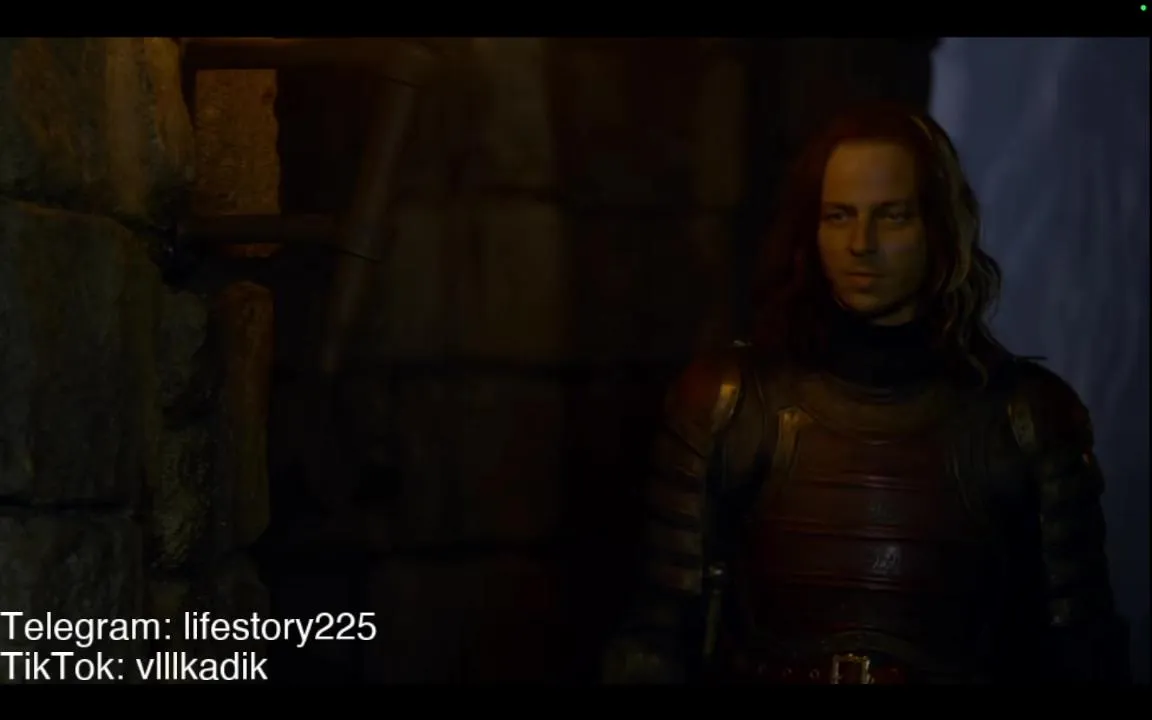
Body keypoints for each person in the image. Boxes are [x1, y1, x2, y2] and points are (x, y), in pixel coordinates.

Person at [601, 103, 1130, 684]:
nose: (861, 243)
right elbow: (659, 631)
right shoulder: (728, 402)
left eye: (891, 216)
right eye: (839, 216)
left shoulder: (1025, 418)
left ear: (937, 227)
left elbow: (1081, 647)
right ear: (813, 229)